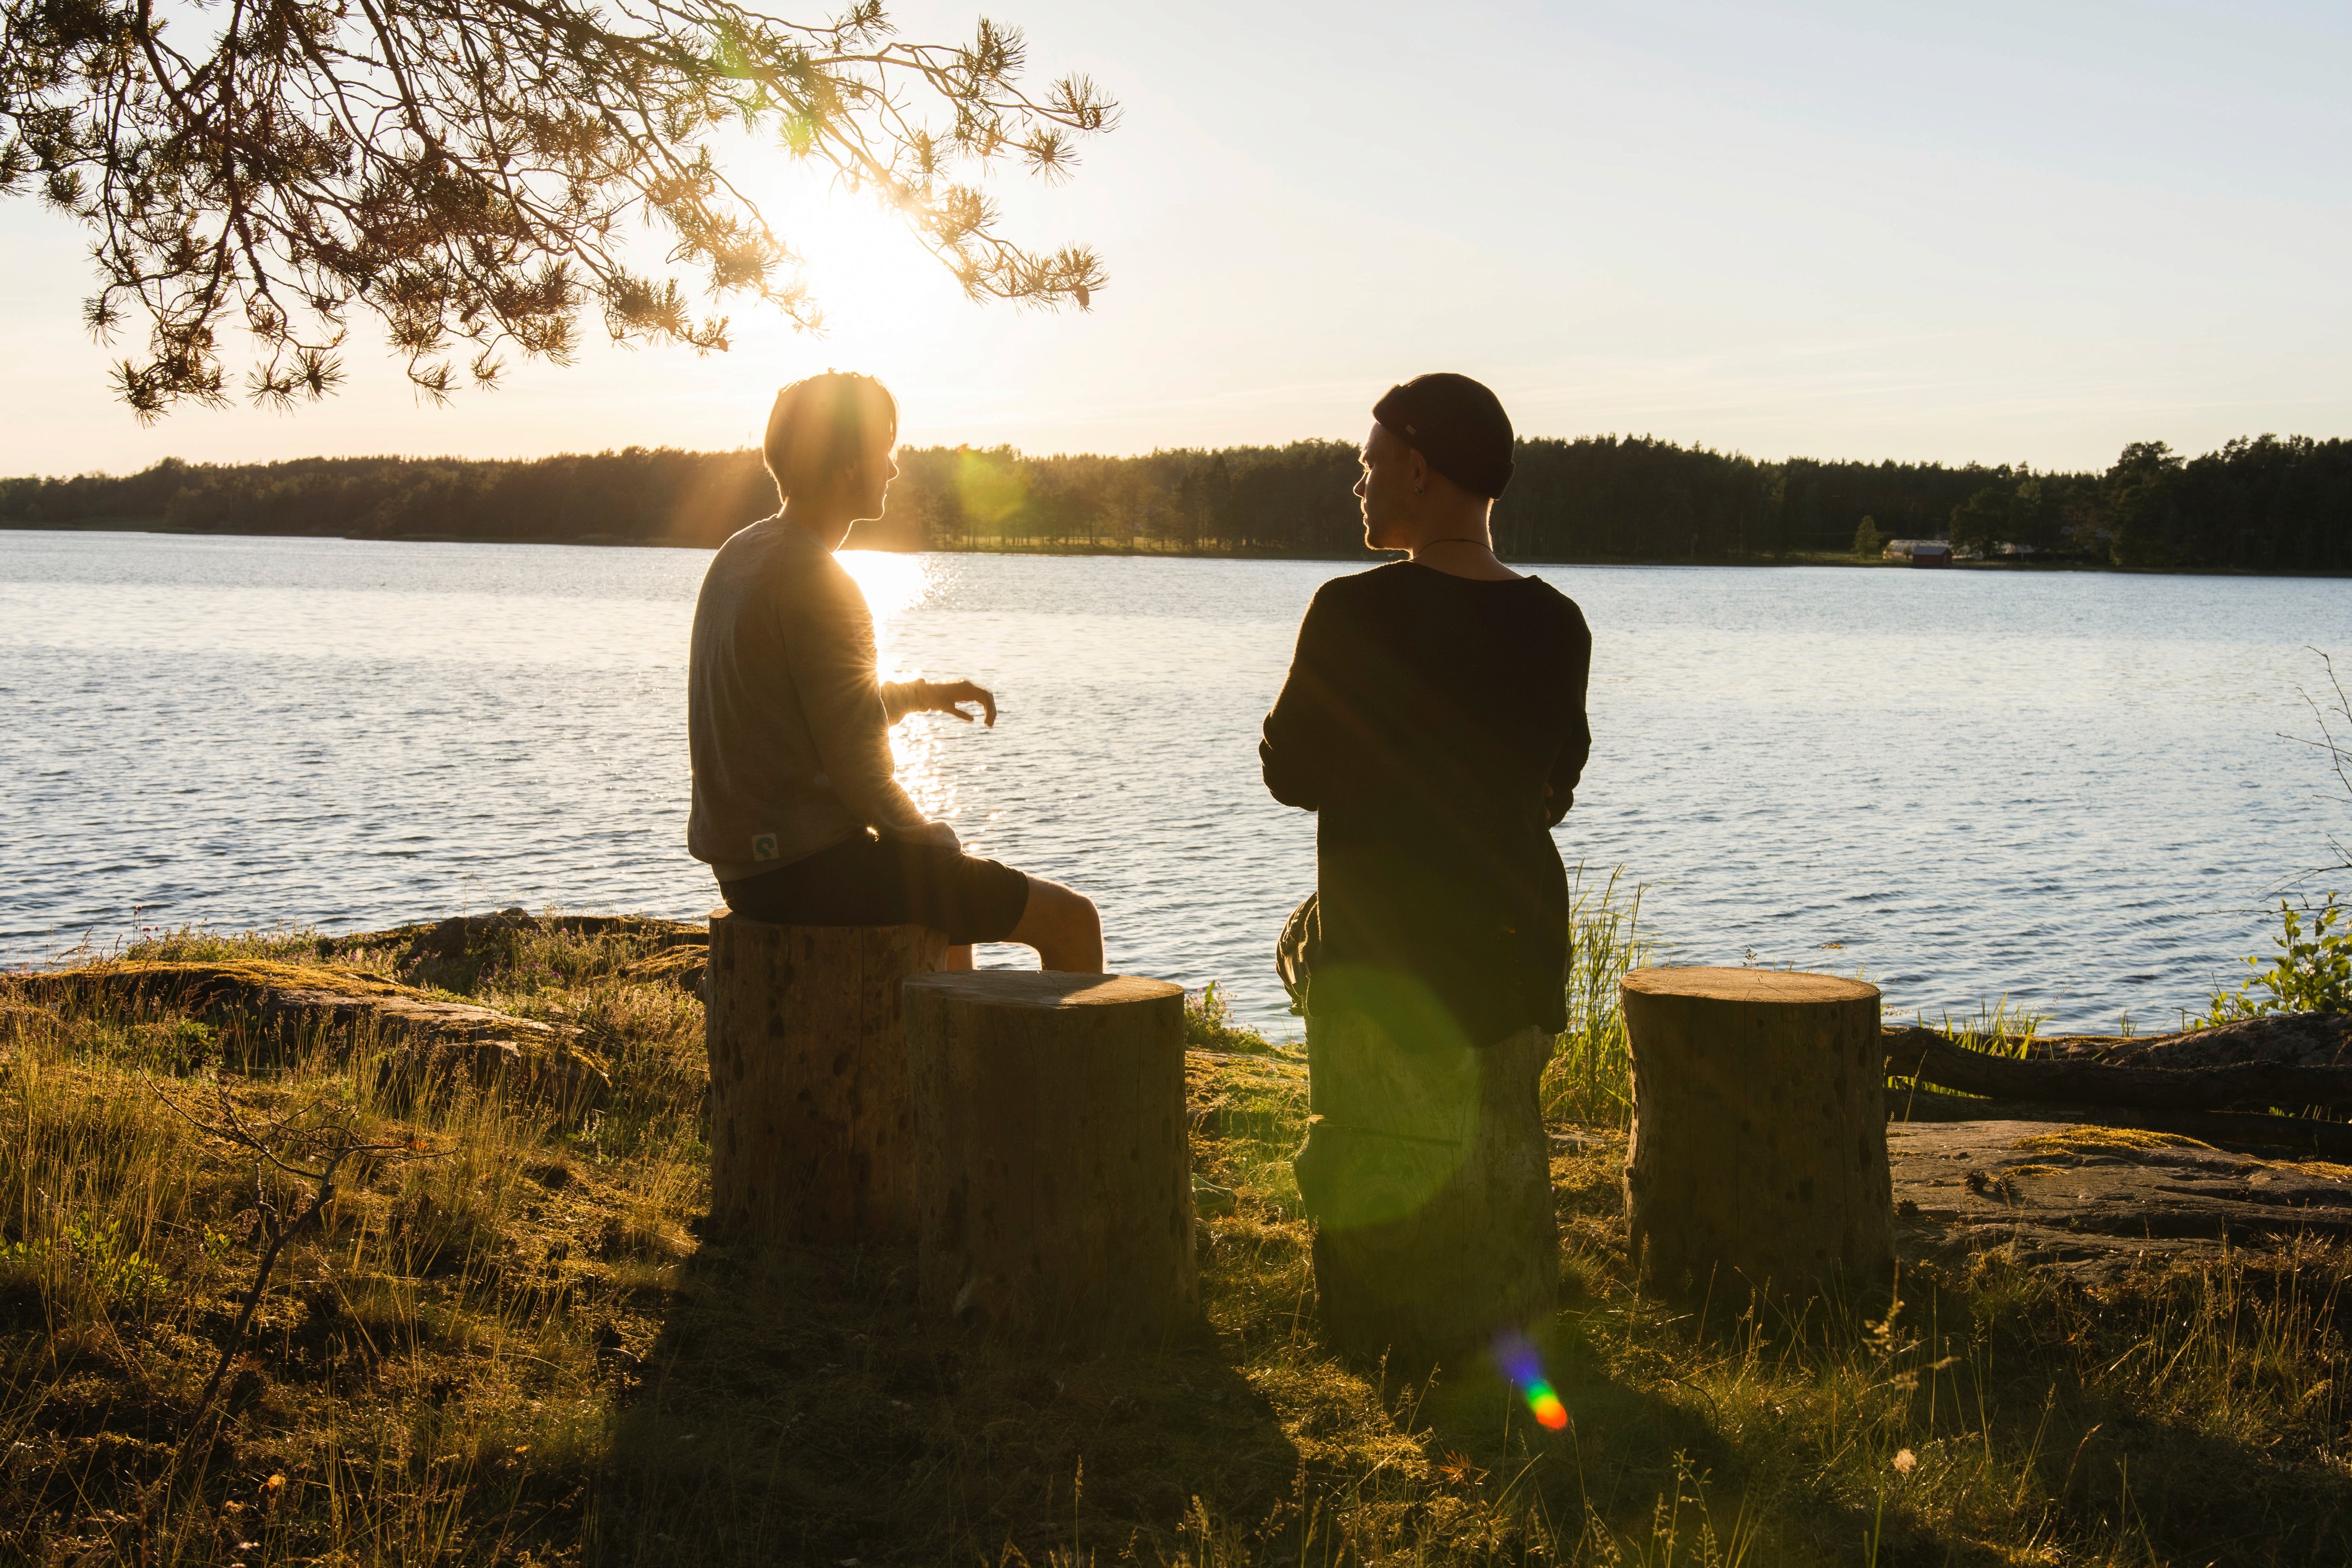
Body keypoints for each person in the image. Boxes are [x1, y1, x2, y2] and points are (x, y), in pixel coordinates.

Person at [1260, 371, 1592, 1360]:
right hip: (1511, 952)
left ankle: (1385, 1324)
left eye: (1367, 465)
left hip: (1384, 954)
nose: (1357, 486)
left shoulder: (1353, 612)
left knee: (1302, 939)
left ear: (1416, 466)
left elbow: (1291, 771)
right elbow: (1554, 782)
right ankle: (1508, 1304)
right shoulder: (1557, 622)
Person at [688, 371, 1103, 972]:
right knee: (1070, 919)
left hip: (746, 871)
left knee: (945, 909)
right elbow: (862, 772)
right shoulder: (820, 580)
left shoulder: (742, 553)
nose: (894, 468)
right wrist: (938, 842)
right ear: (850, 465)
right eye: (885, 451)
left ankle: (952, 1061)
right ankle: (1070, 1069)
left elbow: (807, 712)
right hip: (808, 872)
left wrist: (921, 695)